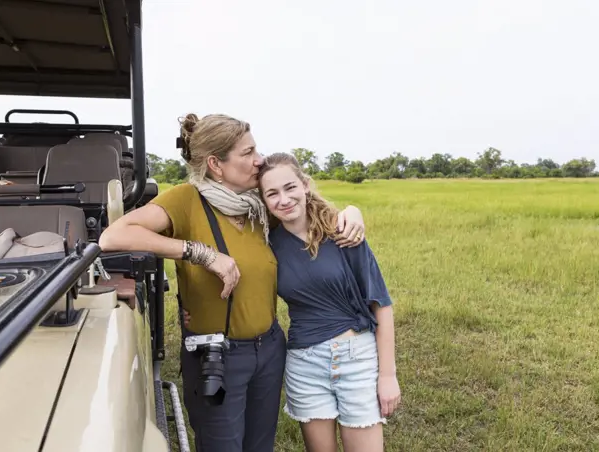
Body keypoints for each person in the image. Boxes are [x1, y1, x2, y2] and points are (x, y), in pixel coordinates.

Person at [98, 113, 366, 452]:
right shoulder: (186, 200)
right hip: (217, 356)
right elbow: (113, 236)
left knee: (260, 445)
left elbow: (313, 210)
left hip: (269, 349)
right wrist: (201, 254)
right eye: (248, 152)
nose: (260, 160)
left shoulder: (259, 207)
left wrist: (352, 211)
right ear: (216, 164)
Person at [257, 152, 400, 452]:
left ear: (305, 185)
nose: (283, 199)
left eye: (290, 187)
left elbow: (381, 305)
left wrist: (388, 376)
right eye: (272, 193)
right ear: (264, 200)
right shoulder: (268, 245)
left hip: (357, 360)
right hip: (305, 364)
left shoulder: (343, 231)